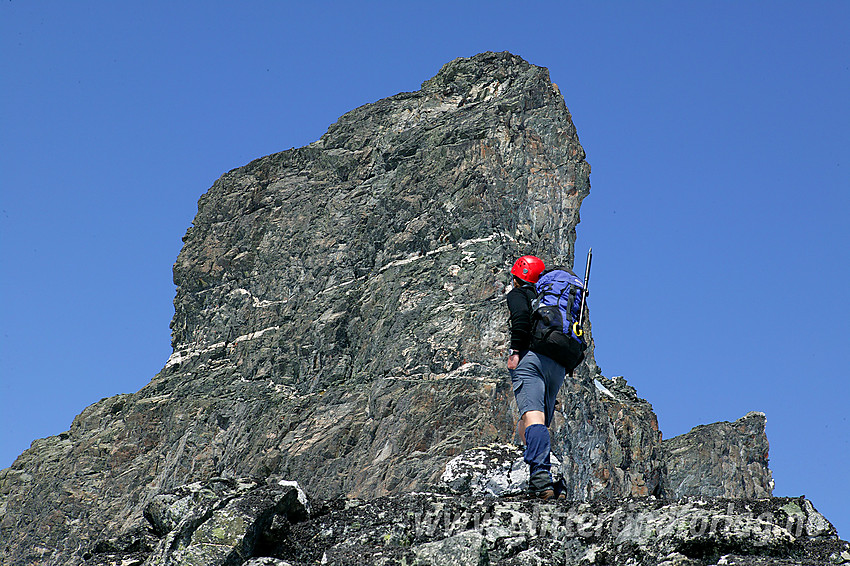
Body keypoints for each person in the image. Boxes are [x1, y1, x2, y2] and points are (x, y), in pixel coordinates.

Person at [506, 255, 566, 499]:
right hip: (558, 364)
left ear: (517, 277)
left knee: (534, 419)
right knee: (540, 422)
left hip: (532, 359)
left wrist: (515, 352)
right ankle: (556, 483)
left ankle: (541, 481)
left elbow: (520, 319)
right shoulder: (549, 299)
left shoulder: (519, 295)